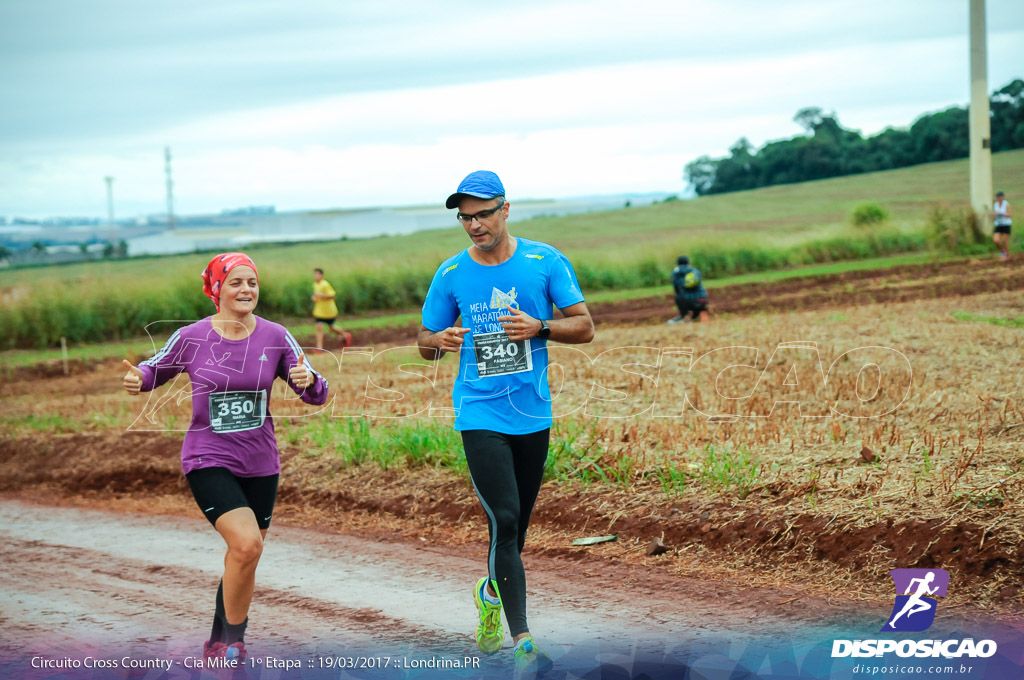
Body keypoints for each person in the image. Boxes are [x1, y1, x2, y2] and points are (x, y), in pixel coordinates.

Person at [417, 171, 594, 675]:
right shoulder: (451, 273)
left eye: (482, 214)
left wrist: (540, 327)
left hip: (532, 412)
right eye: (465, 217)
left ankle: (490, 591)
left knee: (515, 534)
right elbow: (424, 341)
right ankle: (523, 642)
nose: (473, 225)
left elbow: (584, 326)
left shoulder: (544, 260)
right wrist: (441, 341)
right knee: (507, 519)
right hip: (478, 412)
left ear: (505, 209)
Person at [122, 252, 328, 662]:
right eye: (235, 282)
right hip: (208, 457)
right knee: (247, 544)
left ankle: (217, 643)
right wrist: (139, 378)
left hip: (261, 463)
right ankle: (234, 641)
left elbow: (315, 393)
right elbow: (154, 369)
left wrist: (311, 381)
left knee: (244, 556)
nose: (246, 290)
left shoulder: (275, 335)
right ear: (217, 289)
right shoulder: (192, 337)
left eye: (252, 282)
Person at [312, 267, 352, 351]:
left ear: (322, 275)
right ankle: (319, 348)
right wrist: (314, 298)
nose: (315, 276)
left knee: (332, 327)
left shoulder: (325, 284)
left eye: (317, 274)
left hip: (328, 311)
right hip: (320, 311)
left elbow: (332, 295)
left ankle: (345, 335)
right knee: (319, 327)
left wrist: (322, 295)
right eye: (314, 274)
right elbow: (315, 295)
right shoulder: (315, 284)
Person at [668, 255, 709, 323]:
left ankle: (685, 317)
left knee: (678, 297)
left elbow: (677, 289)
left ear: (677, 264)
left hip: (687, 301)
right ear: (688, 263)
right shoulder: (695, 270)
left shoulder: (676, 273)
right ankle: (703, 318)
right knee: (700, 310)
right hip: (703, 300)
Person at [992, 191, 1012, 260]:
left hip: (1006, 224)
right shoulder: (995, 204)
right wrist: (993, 215)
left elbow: (1009, 215)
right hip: (998, 224)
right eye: (997, 197)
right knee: (996, 240)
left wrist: (1001, 214)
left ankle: (1007, 254)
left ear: (1003, 197)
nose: (998, 198)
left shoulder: (1006, 204)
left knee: (1004, 241)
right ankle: (1003, 252)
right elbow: (995, 214)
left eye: (1000, 197)